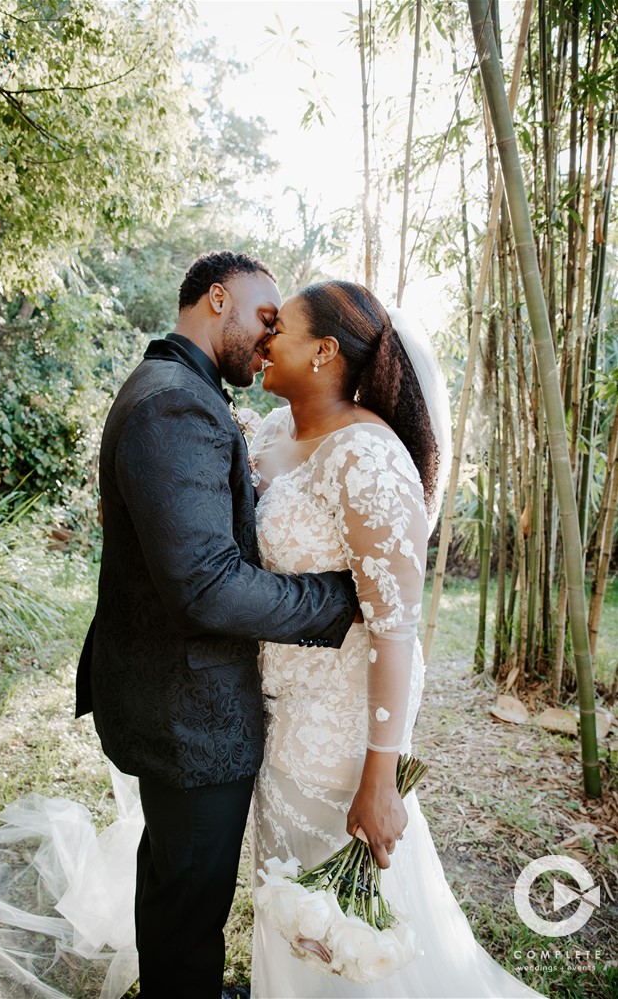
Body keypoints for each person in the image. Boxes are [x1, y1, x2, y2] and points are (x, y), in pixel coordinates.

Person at [0, 253, 358, 999]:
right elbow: (207, 585)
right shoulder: (177, 403)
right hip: (191, 709)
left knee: (175, 875)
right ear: (216, 299)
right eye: (266, 317)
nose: (271, 339)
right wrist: (337, 599)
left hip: (168, 692)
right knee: (190, 896)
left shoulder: (170, 388)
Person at [248, 280, 542, 998]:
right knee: (286, 911)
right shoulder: (269, 434)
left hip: (341, 734)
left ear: (323, 350)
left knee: (339, 929)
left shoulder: (368, 457)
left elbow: (394, 629)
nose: (262, 339)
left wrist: (382, 776)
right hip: (274, 707)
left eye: (277, 328)